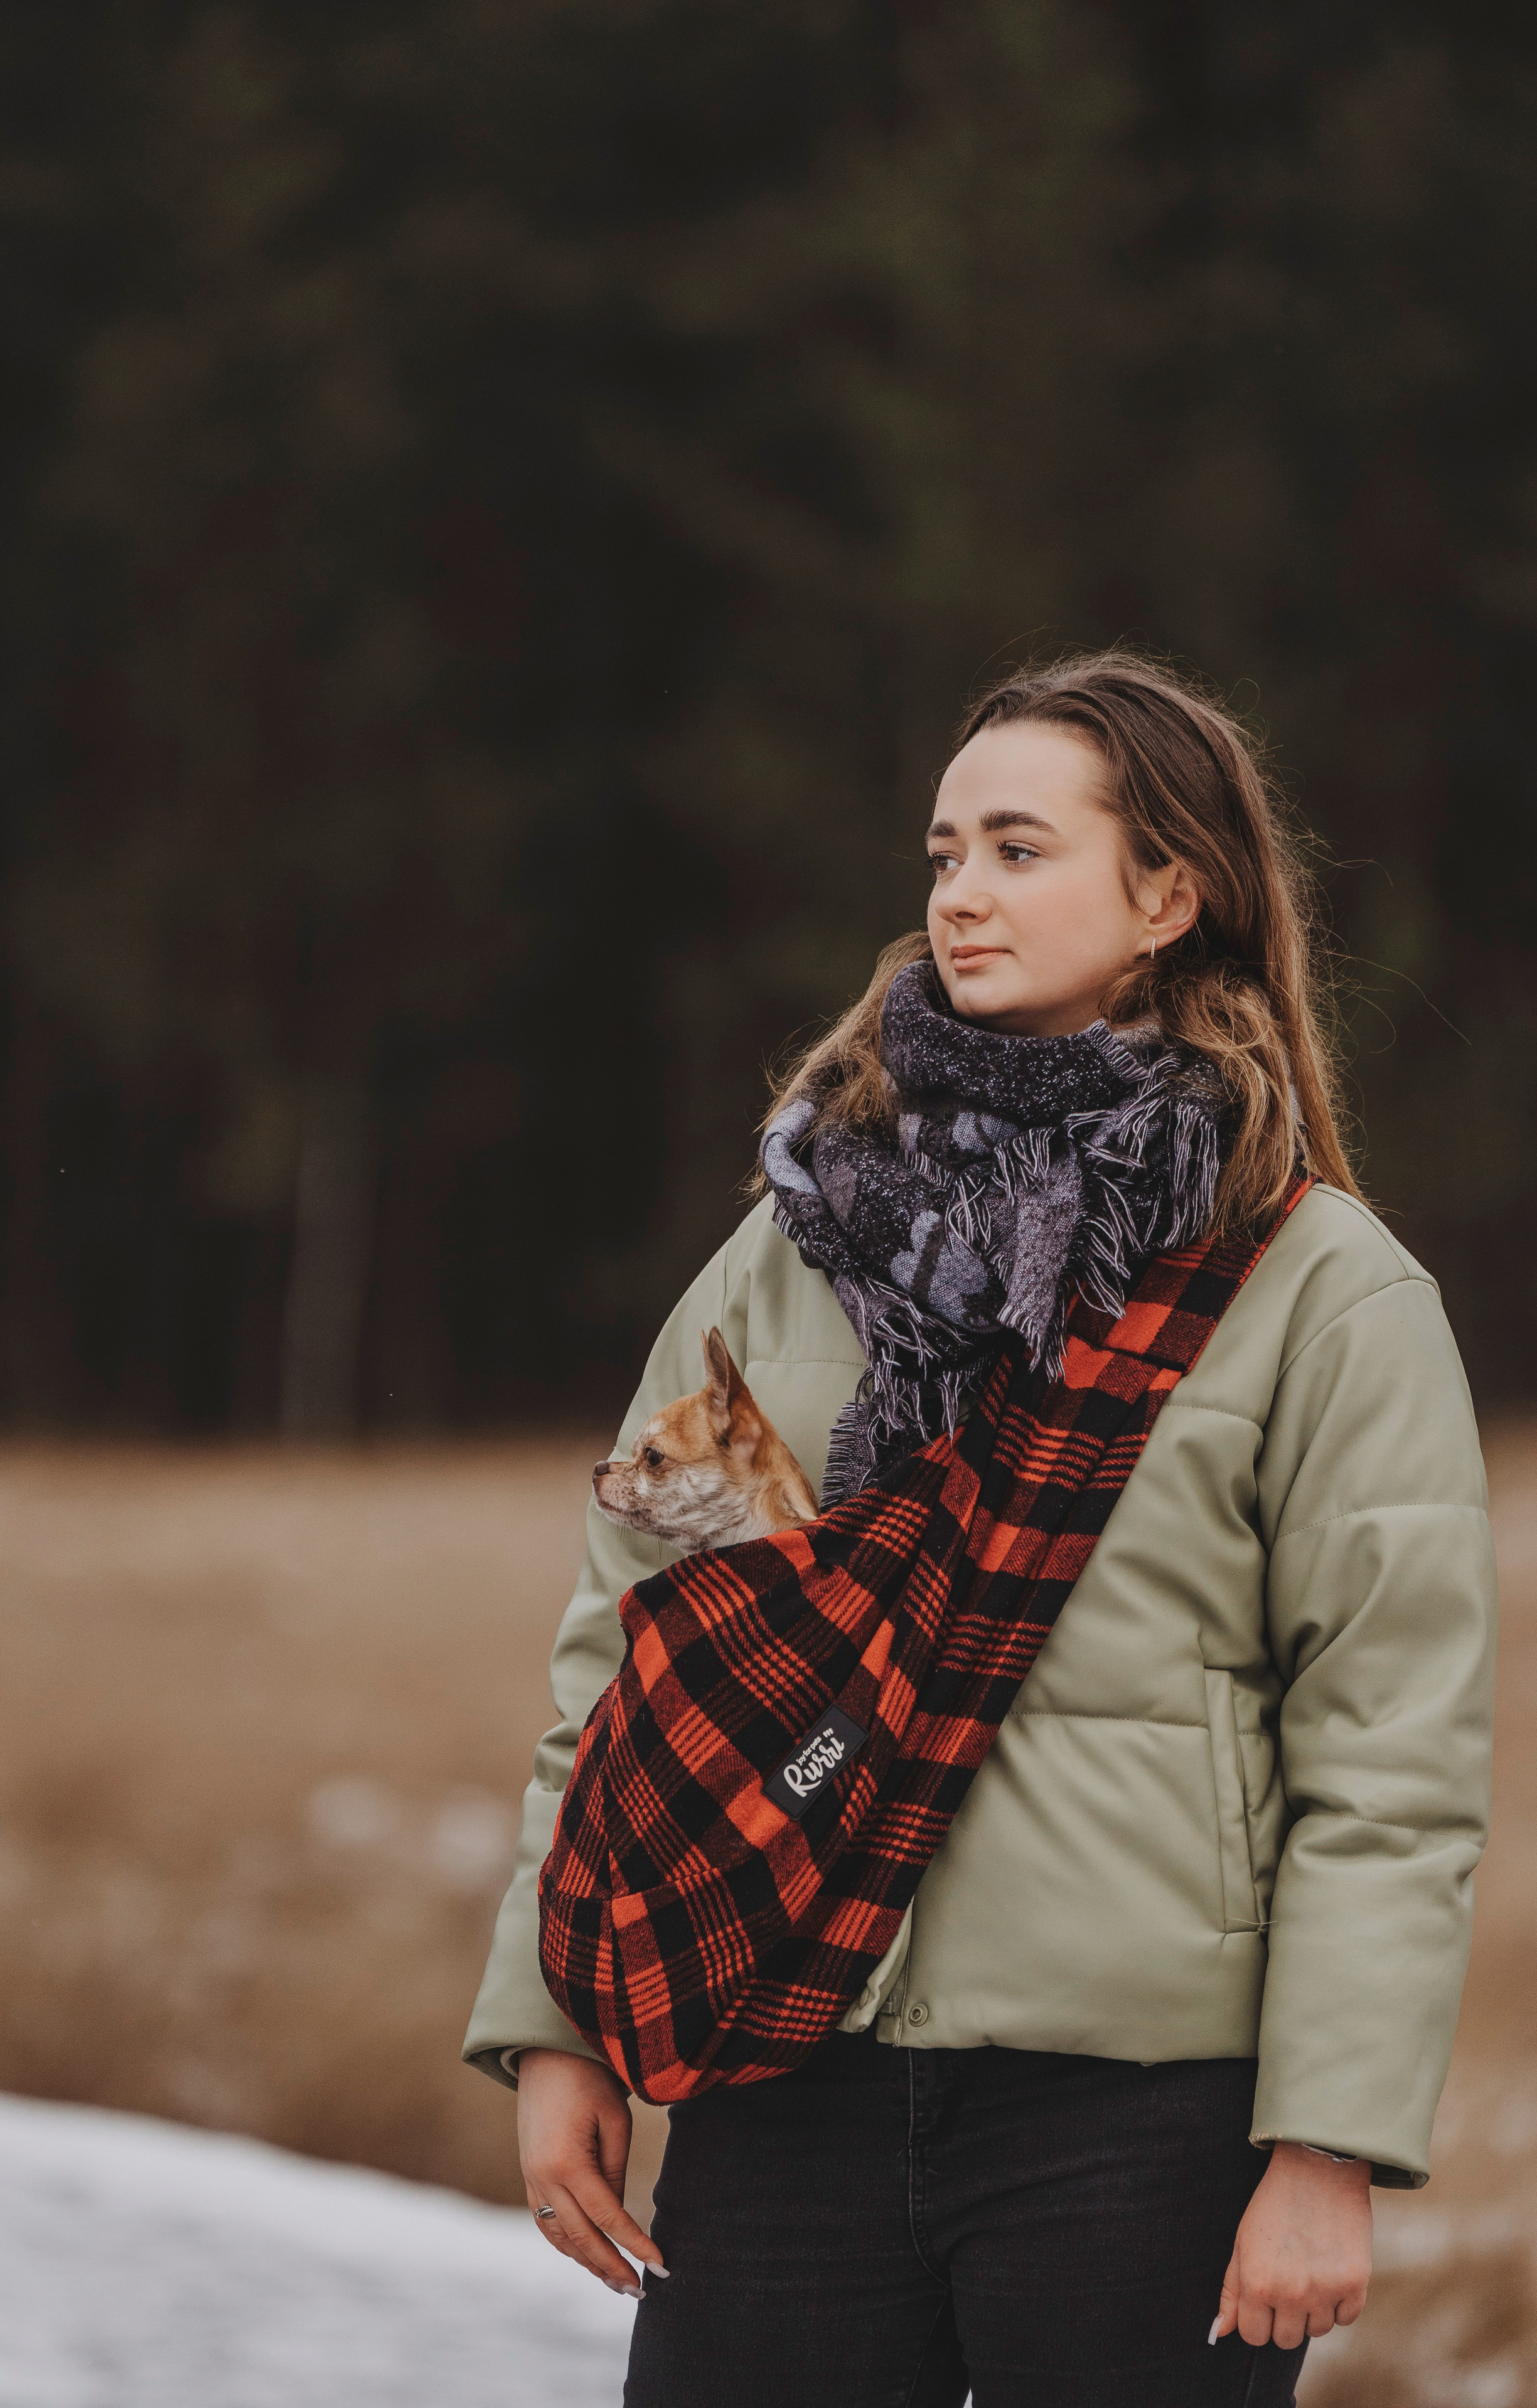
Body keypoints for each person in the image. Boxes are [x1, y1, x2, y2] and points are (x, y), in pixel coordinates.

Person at [464, 653, 1496, 2408]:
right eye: (945, 851)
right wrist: (559, 2020)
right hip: (783, 2055)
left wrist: (1329, 2142)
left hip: (1140, 2118)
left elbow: (1390, 1755)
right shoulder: (795, 1242)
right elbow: (629, 1657)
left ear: (1169, 895)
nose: (959, 893)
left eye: (1020, 850)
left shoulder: (1323, 1289)